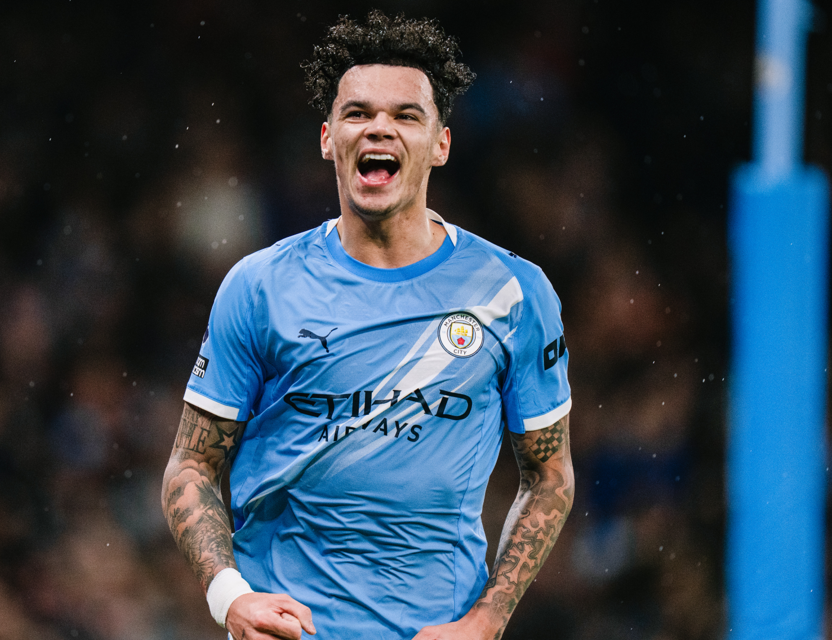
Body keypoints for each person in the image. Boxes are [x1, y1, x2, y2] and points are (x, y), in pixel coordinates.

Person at [163, 11, 574, 640]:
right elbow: (190, 466)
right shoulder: (260, 286)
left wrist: (486, 622)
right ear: (329, 138)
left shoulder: (513, 293)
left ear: (440, 143)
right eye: (358, 113)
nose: (379, 126)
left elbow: (550, 476)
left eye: (406, 115)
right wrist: (229, 597)